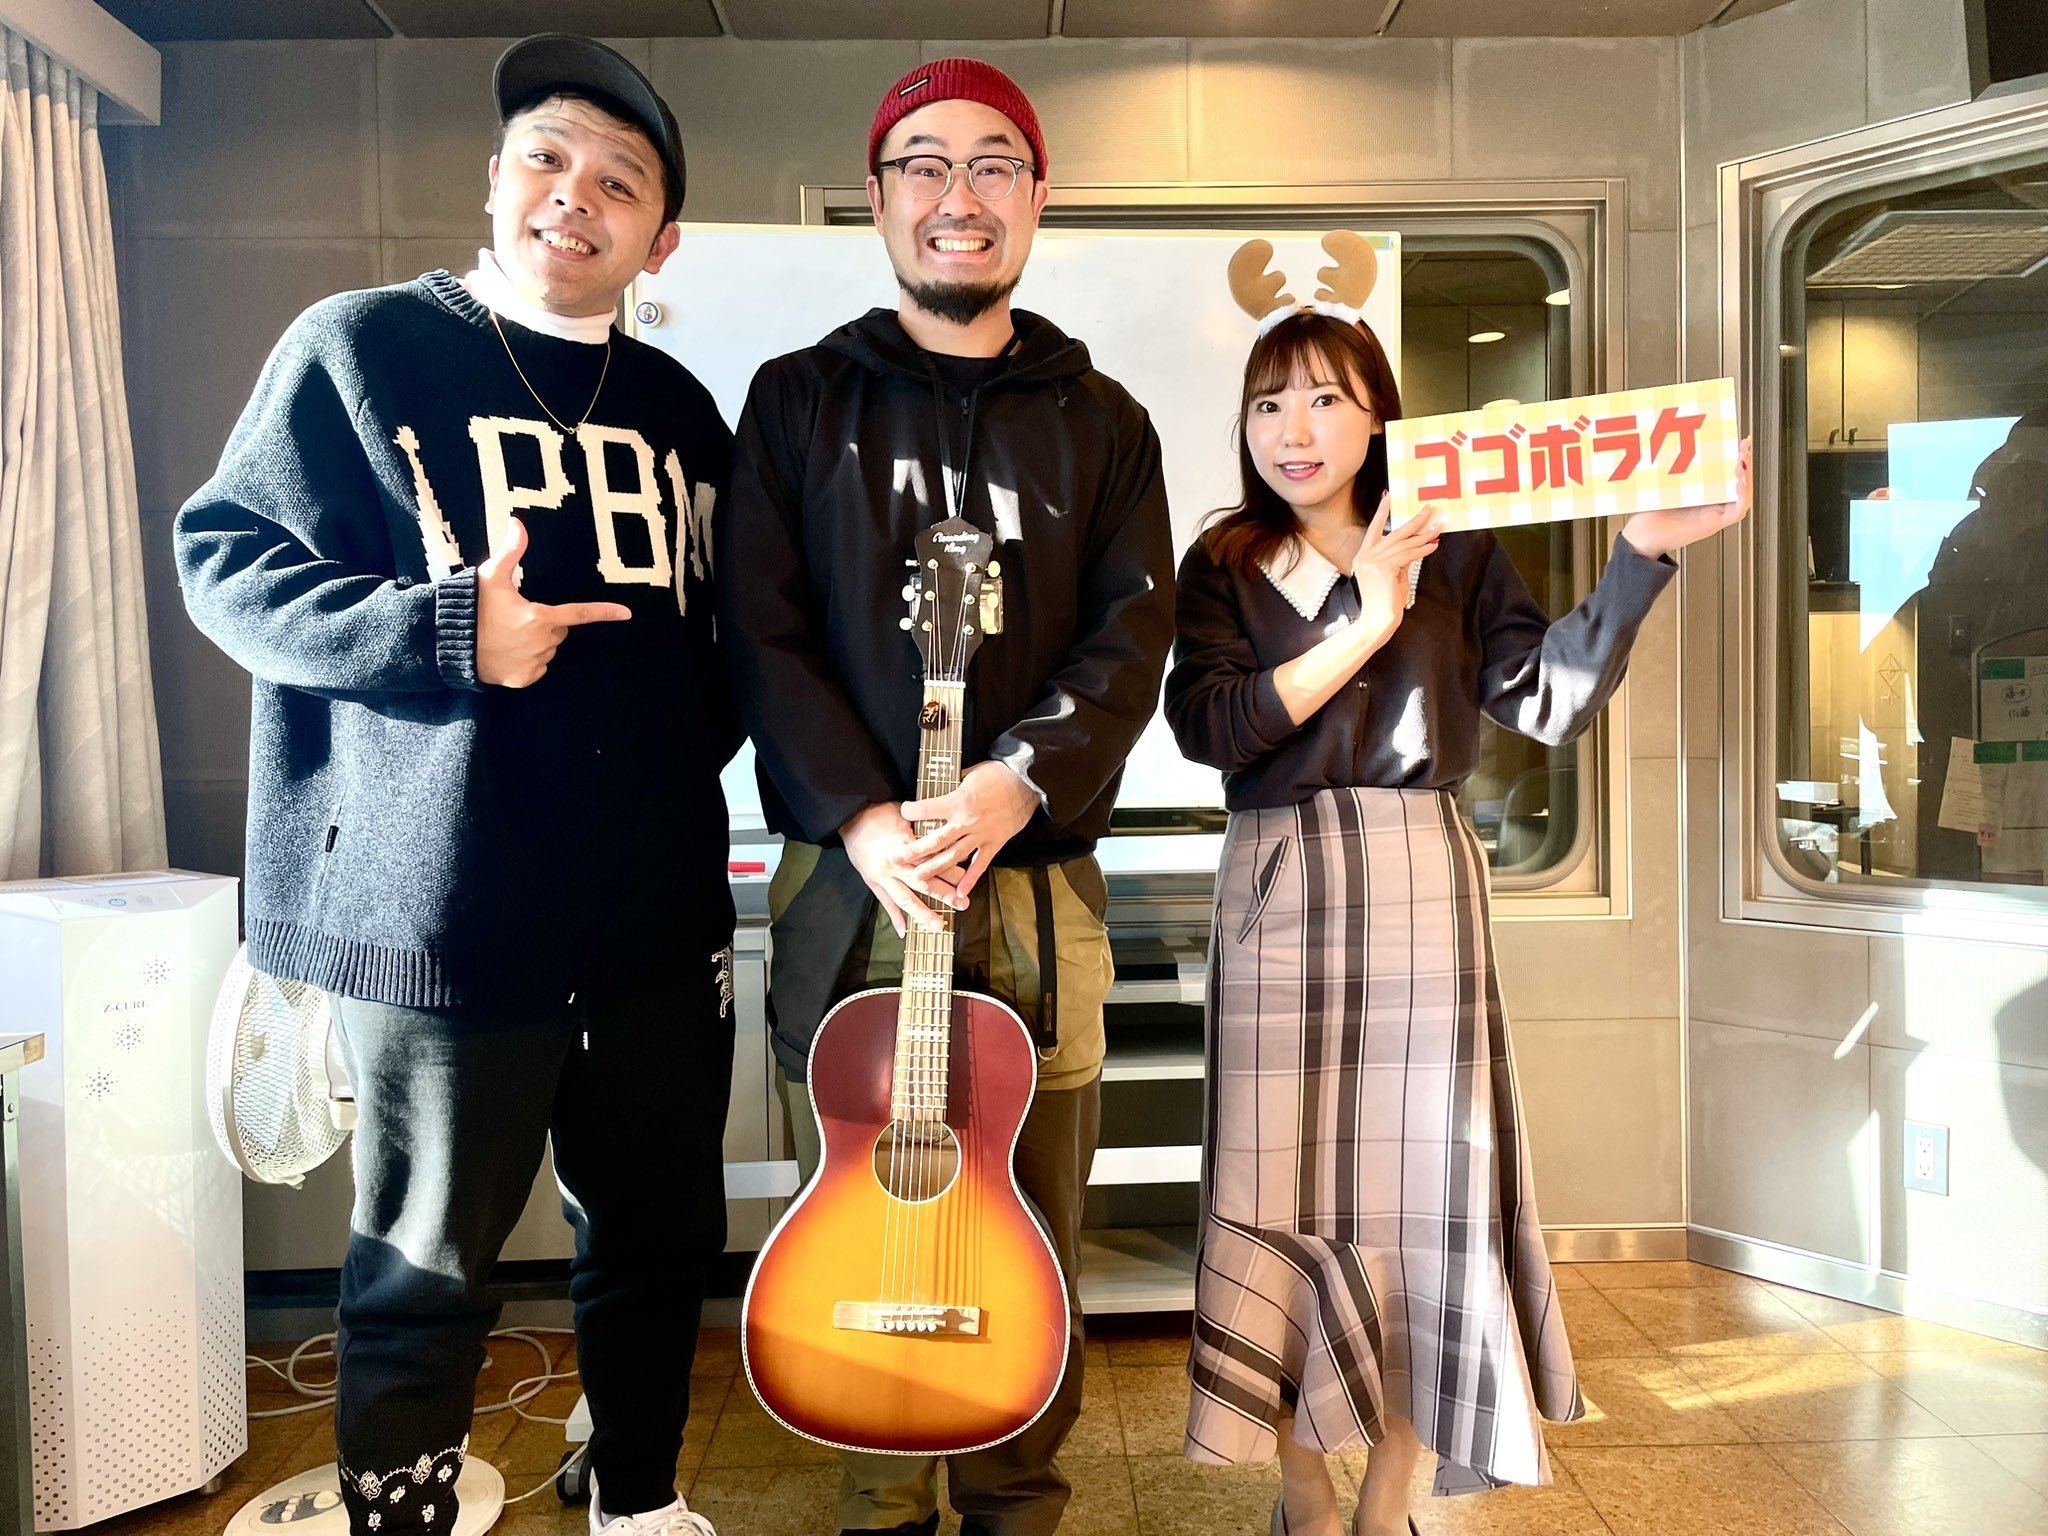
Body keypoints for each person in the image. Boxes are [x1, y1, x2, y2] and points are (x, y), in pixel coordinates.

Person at [176, 34, 736, 1536]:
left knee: (653, 1244)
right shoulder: (358, 348)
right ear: (495, 181)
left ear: (660, 240)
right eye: (547, 159)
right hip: (444, 920)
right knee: (421, 1270)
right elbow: (223, 564)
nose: (575, 196)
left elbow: (721, 650)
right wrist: (439, 635)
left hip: (654, 929)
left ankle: (637, 1500)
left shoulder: (682, 409)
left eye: (619, 182)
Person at [1165, 300, 1749, 1536]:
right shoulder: (1224, 560)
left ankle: (1387, 1497)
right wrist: (1366, 617)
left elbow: (1543, 703)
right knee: (1272, 1190)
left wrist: (1639, 553)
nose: (1292, 429)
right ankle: (1299, 1488)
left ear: (1378, 414)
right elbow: (1212, 727)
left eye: (1323, 398)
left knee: (1424, 1198)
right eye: (1267, 403)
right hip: (1278, 877)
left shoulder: (1456, 543)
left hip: (1419, 879)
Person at [720, 57, 1174, 1536]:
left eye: (992, 163)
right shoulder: (799, 403)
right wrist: (864, 817)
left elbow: (1131, 635)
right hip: (846, 883)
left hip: (1034, 887)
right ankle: (873, 1497)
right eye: (923, 163)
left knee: (1032, 1226)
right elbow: (760, 629)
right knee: (858, 1211)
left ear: (1038, 197)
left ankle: (1014, 1504)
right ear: (878, 198)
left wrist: (1012, 784)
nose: (956, 195)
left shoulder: (1102, 421)